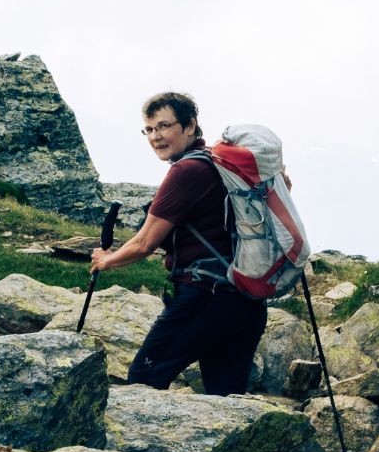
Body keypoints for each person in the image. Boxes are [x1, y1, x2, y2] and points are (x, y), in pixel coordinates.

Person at [89, 91, 269, 395]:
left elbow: (145, 242)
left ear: (189, 126)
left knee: (143, 379)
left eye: (163, 126)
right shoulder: (218, 165)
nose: (155, 137)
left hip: (204, 298)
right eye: (149, 129)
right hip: (245, 304)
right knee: (223, 401)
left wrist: (106, 260)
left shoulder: (186, 171)